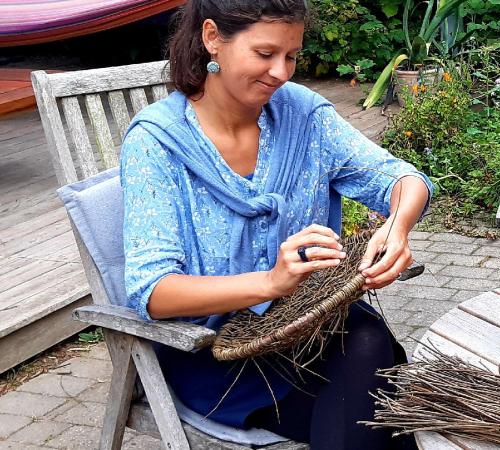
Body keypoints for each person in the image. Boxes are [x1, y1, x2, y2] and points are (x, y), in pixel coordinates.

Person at [119, 0, 433, 448]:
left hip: (312, 328)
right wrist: (270, 282)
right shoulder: (157, 143)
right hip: (219, 352)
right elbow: (153, 292)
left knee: (366, 359)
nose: (281, 73)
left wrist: (398, 226)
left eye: (292, 56)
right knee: (381, 410)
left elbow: (401, 180)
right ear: (213, 38)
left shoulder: (301, 115)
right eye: (265, 54)